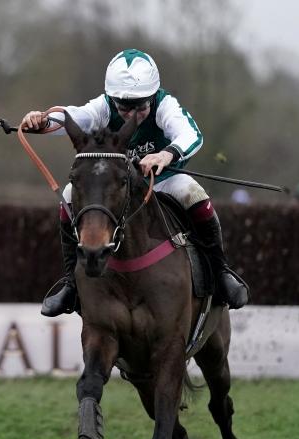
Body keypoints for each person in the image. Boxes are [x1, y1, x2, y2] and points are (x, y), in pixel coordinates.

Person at [22, 48, 249, 317]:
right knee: (71, 194)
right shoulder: (105, 106)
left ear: (152, 96)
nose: (131, 115)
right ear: (112, 98)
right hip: (118, 187)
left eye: (140, 107)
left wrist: (166, 154)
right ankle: (71, 285)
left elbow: (191, 134)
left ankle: (220, 272)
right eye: (123, 107)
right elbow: (76, 116)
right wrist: (43, 119)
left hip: (162, 181)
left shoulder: (165, 105)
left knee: (192, 191)